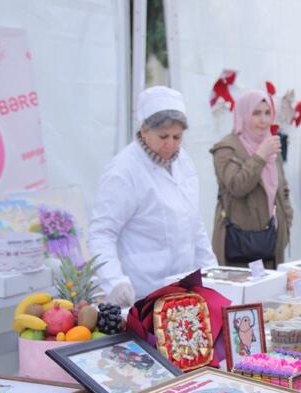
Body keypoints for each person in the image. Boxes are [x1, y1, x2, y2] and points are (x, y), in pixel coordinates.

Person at [88, 86, 217, 306]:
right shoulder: (124, 171)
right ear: (144, 129)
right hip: (142, 294)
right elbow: (101, 233)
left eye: (177, 137)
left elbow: (195, 225)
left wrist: (212, 270)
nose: (171, 144)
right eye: (163, 136)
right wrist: (114, 281)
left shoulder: (183, 162)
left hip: (184, 291)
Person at [211, 90, 293, 268]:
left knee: (270, 294)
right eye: (256, 113)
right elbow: (237, 186)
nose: (264, 120)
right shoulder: (226, 149)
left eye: (267, 112)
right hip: (240, 246)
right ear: (243, 114)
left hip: (271, 243)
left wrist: (286, 220)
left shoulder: (270, 144)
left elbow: (283, 189)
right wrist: (260, 155)